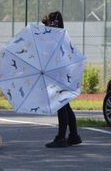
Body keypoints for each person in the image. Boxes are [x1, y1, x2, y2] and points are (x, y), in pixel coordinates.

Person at [42, 11, 82, 148]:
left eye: (48, 22)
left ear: (53, 23)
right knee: (66, 104)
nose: (46, 25)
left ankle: (60, 137)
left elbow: (51, 56)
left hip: (59, 73)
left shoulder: (55, 37)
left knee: (61, 104)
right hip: (65, 72)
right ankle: (74, 136)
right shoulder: (62, 35)